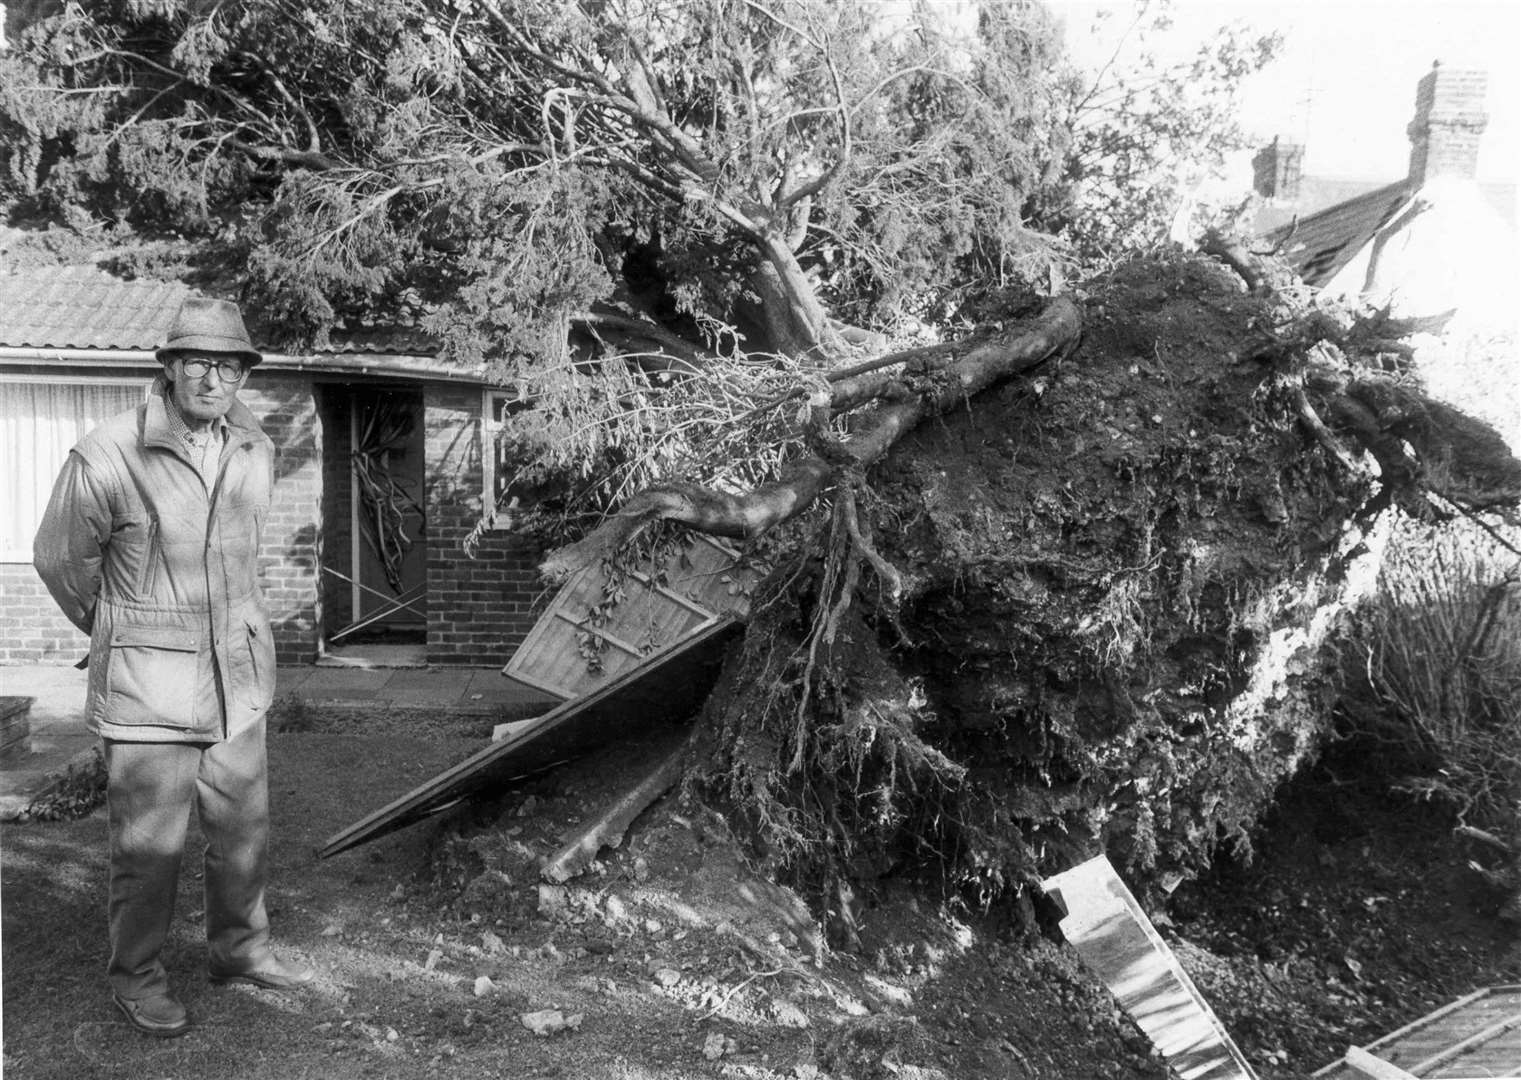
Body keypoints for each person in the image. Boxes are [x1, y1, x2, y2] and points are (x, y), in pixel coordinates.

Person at [34, 297, 314, 1038]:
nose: (212, 377)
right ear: (168, 367)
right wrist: (123, 629)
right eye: (197, 361)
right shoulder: (108, 452)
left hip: (238, 681)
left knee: (243, 830)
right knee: (148, 850)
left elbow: (243, 552)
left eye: (228, 364)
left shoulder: (251, 443)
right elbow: (61, 560)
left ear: (243, 372)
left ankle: (240, 951)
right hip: (148, 691)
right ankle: (137, 978)